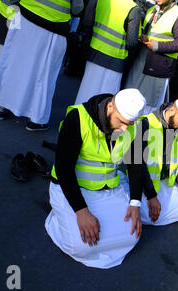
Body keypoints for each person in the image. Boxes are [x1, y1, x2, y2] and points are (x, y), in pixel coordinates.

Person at [45, 89, 148, 269]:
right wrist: (81, 211)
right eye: (122, 122)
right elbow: (64, 168)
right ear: (110, 106)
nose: (125, 129)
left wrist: (135, 203)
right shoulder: (78, 117)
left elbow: (135, 165)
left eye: (129, 124)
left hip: (108, 189)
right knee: (80, 247)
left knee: (133, 235)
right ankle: (57, 220)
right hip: (72, 188)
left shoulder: (133, 126)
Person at [0, 0, 82, 131]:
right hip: (54, 27)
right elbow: (77, 8)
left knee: (14, 65)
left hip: (24, 17)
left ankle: (2, 107)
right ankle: (36, 120)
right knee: (44, 77)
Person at [139, 94, 178, 226]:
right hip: (144, 185)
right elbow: (138, 165)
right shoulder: (146, 124)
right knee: (143, 212)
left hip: (165, 183)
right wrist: (151, 196)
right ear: (171, 111)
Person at [123, 0, 178, 114]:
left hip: (158, 68)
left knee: (147, 107)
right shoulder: (151, 10)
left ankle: (141, 131)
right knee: (129, 99)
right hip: (141, 62)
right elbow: (148, 32)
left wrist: (157, 46)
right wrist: (143, 36)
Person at [74, 0, 142, 104]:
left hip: (94, 53)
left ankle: (77, 118)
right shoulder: (134, 9)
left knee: (85, 92)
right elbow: (132, 42)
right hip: (115, 61)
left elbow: (87, 22)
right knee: (105, 102)